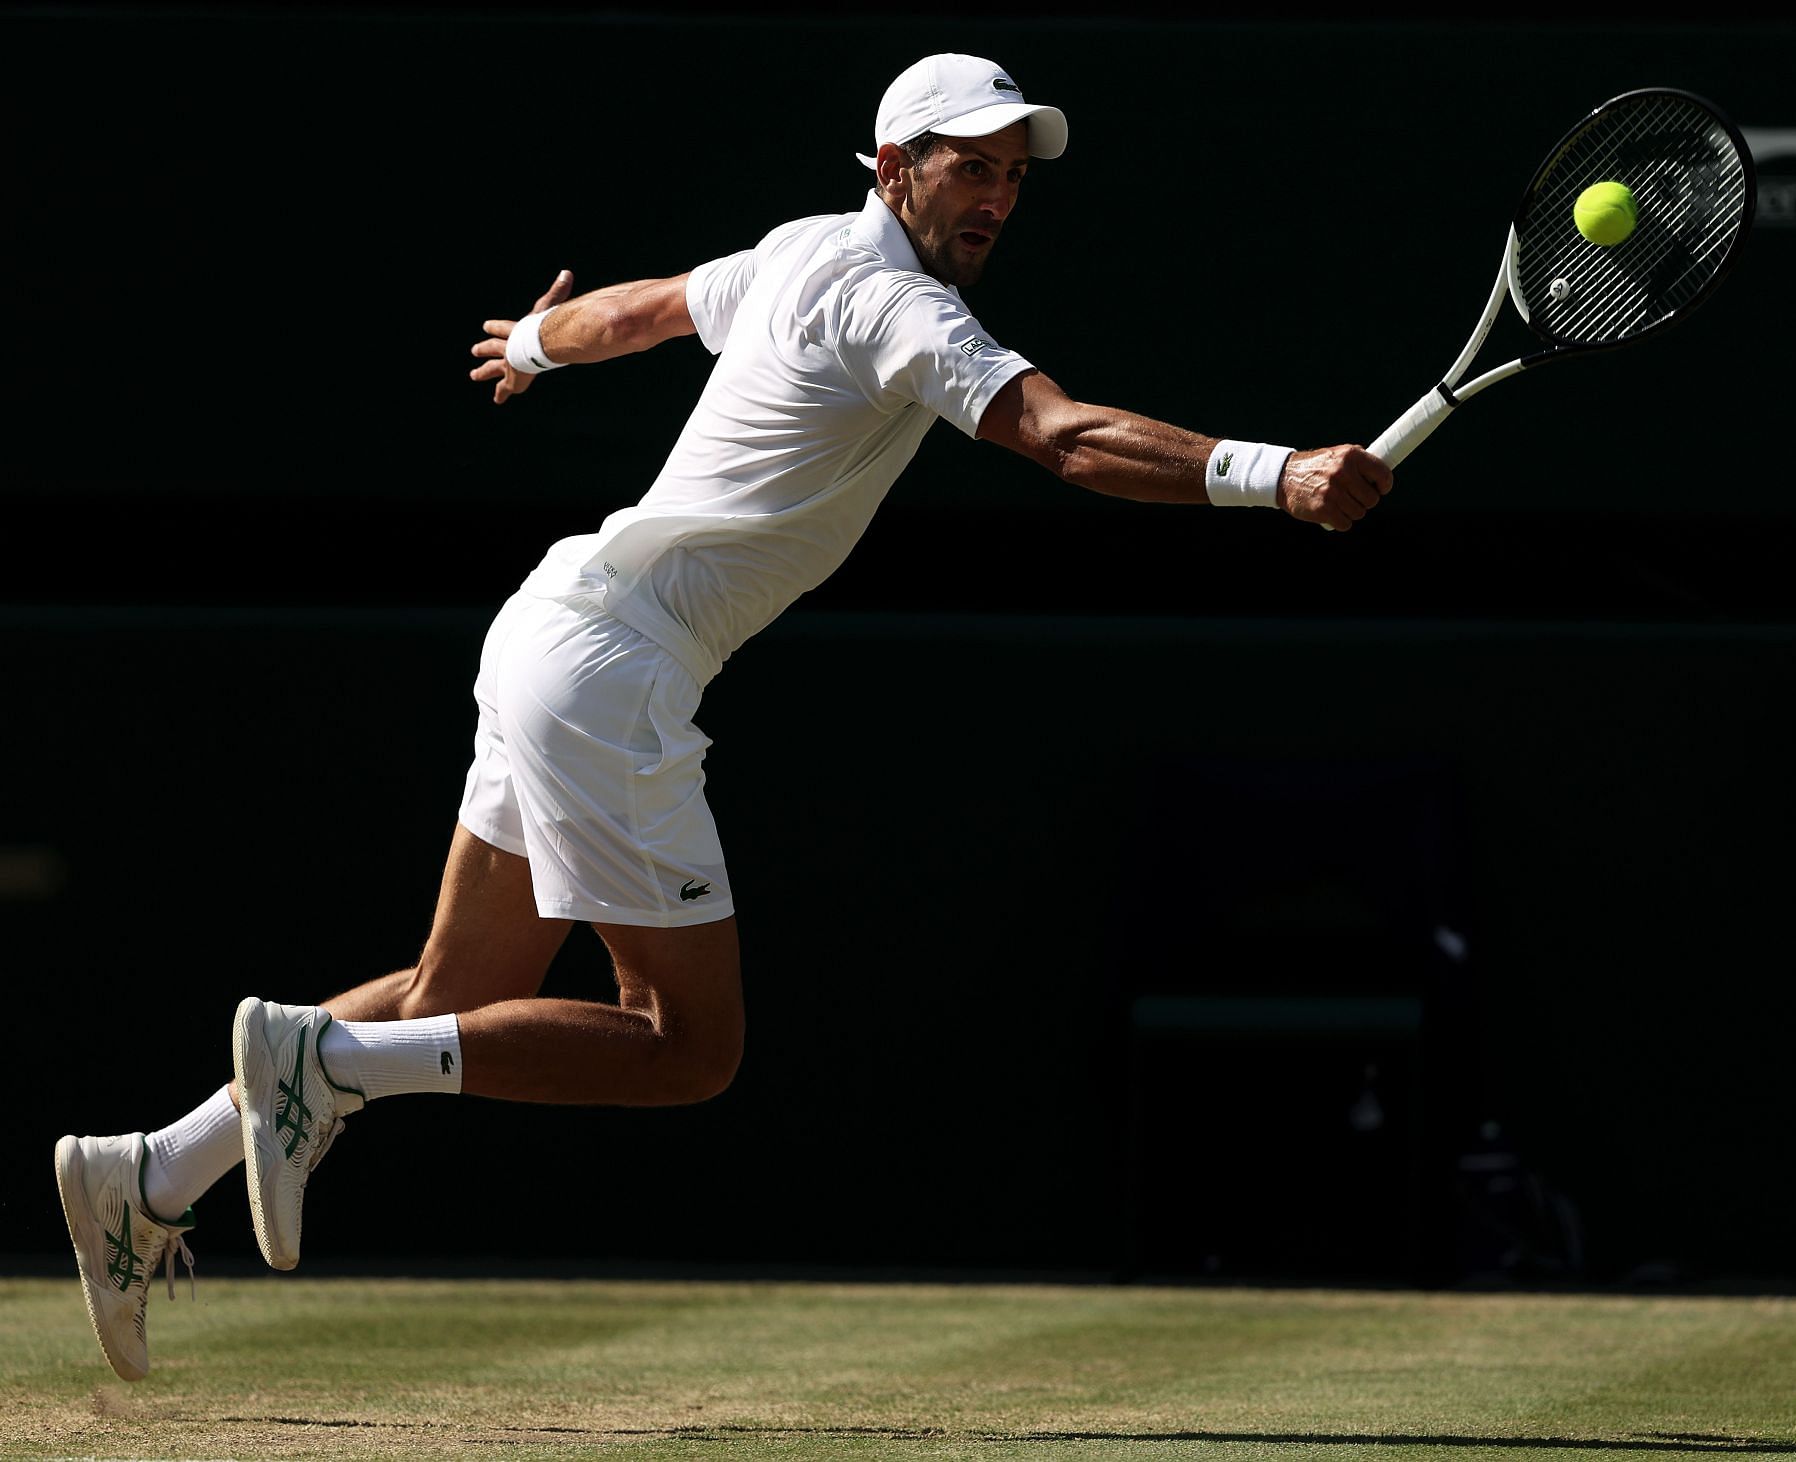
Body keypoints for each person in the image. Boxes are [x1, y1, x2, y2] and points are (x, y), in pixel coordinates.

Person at [53, 51, 1392, 1381]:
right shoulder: (895, 308)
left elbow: (639, 313)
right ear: (892, 167)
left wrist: (531, 341)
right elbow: (1061, 435)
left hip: (550, 629)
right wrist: (1272, 479)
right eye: (965, 167)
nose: (994, 196)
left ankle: (151, 1174)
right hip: (613, 677)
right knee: (685, 1048)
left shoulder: (796, 250)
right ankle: (326, 1059)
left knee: (454, 998)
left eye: (1008, 175)